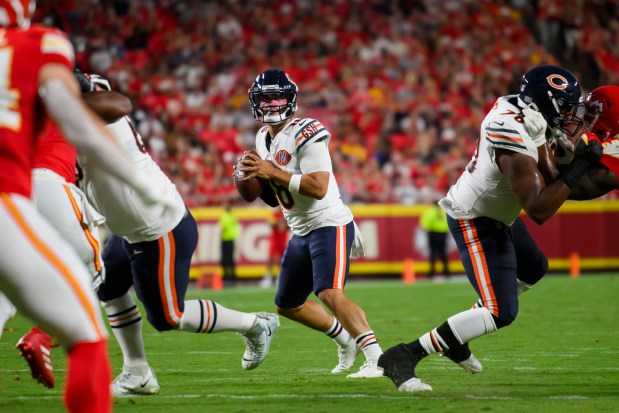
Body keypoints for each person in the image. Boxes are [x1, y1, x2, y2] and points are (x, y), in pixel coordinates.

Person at [377, 65, 603, 392]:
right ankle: (403, 355)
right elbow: (539, 208)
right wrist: (577, 167)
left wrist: (544, 142)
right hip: (476, 219)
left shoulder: (523, 111)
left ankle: (457, 338)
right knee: (500, 311)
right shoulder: (508, 131)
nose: (571, 115)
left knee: (534, 267)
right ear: (546, 105)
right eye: (566, 107)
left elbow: (548, 172)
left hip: (499, 215)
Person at [0, 1, 169, 410]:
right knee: (90, 302)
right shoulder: (37, 45)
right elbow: (80, 123)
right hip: (27, 189)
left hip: (25, 195)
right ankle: (42, 334)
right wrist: (140, 184)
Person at [74, 75, 279, 397]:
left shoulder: (95, 105)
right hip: (129, 230)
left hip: (157, 227)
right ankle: (137, 372)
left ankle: (256, 324)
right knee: (109, 287)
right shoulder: (71, 116)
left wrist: (67, 90)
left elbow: (112, 101)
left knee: (168, 316)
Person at [240, 69, 383, 377]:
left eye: (276, 97)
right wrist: (253, 179)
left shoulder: (307, 130)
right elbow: (274, 195)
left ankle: (376, 357)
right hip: (300, 228)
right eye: (264, 99)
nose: (270, 105)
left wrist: (271, 171)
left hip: (328, 221)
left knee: (330, 292)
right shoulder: (262, 137)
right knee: (287, 304)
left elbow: (318, 187)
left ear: (290, 100)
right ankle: (345, 340)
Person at [419, 200, 450, 279]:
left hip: (433, 233)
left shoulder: (429, 212)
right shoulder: (443, 212)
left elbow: (424, 223)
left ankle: (432, 272)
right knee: (443, 253)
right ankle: (446, 272)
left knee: (433, 253)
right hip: (443, 233)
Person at [260, 209, 288, 288]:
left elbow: (288, 226)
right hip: (275, 238)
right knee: (271, 258)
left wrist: (285, 224)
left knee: (283, 259)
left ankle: (280, 277)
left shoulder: (286, 213)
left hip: (283, 238)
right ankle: (268, 277)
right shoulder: (274, 214)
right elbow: (271, 223)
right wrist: (278, 222)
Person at [219, 202, 240, 287]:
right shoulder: (233, 216)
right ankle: (233, 276)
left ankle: (226, 276)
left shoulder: (225, 216)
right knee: (231, 259)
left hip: (225, 239)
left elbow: (223, 228)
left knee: (225, 259)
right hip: (232, 239)